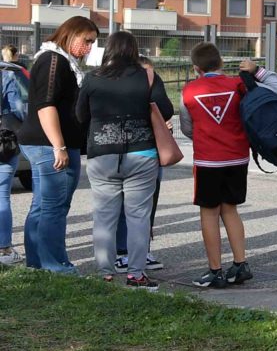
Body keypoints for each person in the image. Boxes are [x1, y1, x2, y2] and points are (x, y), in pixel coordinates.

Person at [179, 42, 277, 289]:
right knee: (230, 209)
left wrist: (206, 134)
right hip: (237, 157)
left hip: (208, 159)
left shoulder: (189, 91)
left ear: (196, 68)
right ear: (221, 63)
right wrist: (257, 71)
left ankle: (215, 270)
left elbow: (187, 127)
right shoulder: (238, 84)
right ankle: (240, 264)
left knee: (209, 212)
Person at [77, 32, 171, 289]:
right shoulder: (148, 77)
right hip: (142, 154)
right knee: (138, 216)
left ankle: (105, 273)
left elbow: (80, 115)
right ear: (134, 50)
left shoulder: (92, 78)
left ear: (108, 49)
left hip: (102, 154)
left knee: (103, 216)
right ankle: (136, 274)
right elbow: (166, 110)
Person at [18, 16, 98, 274]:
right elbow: (46, 105)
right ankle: (55, 265)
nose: (89, 47)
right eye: (86, 40)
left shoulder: (60, 60)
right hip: (48, 144)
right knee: (54, 205)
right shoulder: (54, 60)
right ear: (71, 34)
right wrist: (59, 146)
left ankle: (38, 263)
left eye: (92, 42)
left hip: (48, 142)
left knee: (44, 205)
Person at [113, 56, 171, 272]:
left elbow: (165, 109)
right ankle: (122, 252)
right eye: (145, 74)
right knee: (123, 205)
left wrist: (163, 124)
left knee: (148, 204)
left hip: (151, 151)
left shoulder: (153, 89)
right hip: (127, 153)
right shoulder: (122, 91)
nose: (149, 79)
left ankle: (142, 249)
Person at [0, 48, 28, 266]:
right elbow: (19, 110)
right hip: (3, 143)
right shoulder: (7, 74)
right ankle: (3, 249)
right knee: (2, 195)